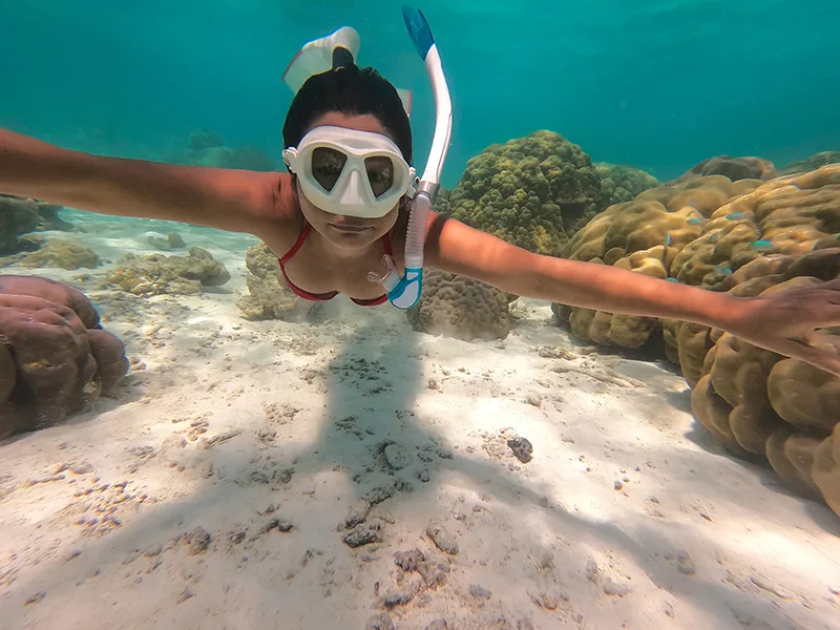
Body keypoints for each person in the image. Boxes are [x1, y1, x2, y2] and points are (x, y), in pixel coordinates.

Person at [1, 21, 839, 378]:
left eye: (382, 177)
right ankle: (330, 66)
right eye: (326, 168)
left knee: (369, 109)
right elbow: (85, 176)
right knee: (341, 89)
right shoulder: (270, 206)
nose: (351, 203)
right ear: (291, 168)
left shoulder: (418, 234)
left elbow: (558, 279)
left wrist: (734, 313)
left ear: (411, 182)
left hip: (377, 271)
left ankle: (352, 79)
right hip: (330, 198)